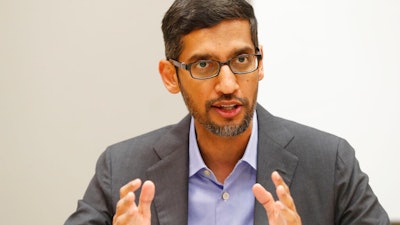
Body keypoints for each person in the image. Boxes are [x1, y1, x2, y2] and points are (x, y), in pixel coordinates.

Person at [64, 0, 390, 224]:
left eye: (241, 59)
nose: (228, 84)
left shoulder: (331, 163)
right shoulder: (121, 169)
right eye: (204, 64)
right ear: (170, 76)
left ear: (260, 62)